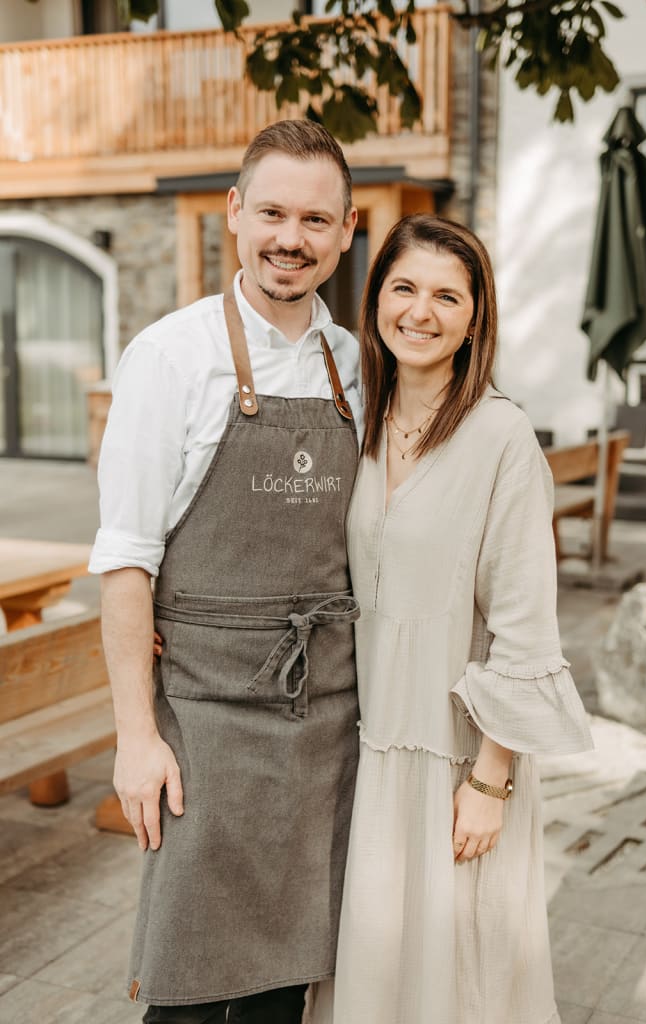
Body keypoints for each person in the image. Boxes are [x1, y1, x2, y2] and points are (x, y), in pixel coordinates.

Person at [89, 119, 362, 1024]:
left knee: (287, 981)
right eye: (273, 213)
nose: (292, 238)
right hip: (203, 721)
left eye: (315, 220)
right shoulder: (169, 356)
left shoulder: (356, 365)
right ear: (235, 213)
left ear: (346, 230)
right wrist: (136, 738)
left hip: (325, 721)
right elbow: (125, 563)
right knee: (189, 986)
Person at [306, 214, 593, 1024]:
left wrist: (490, 781)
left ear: (475, 318)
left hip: (457, 760)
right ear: (374, 299)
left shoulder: (501, 436)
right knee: (374, 975)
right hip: (365, 753)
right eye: (403, 288)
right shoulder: (357, 420)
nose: (419, 312)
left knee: (455, 981)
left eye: (446, 296)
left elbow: (524, 626)